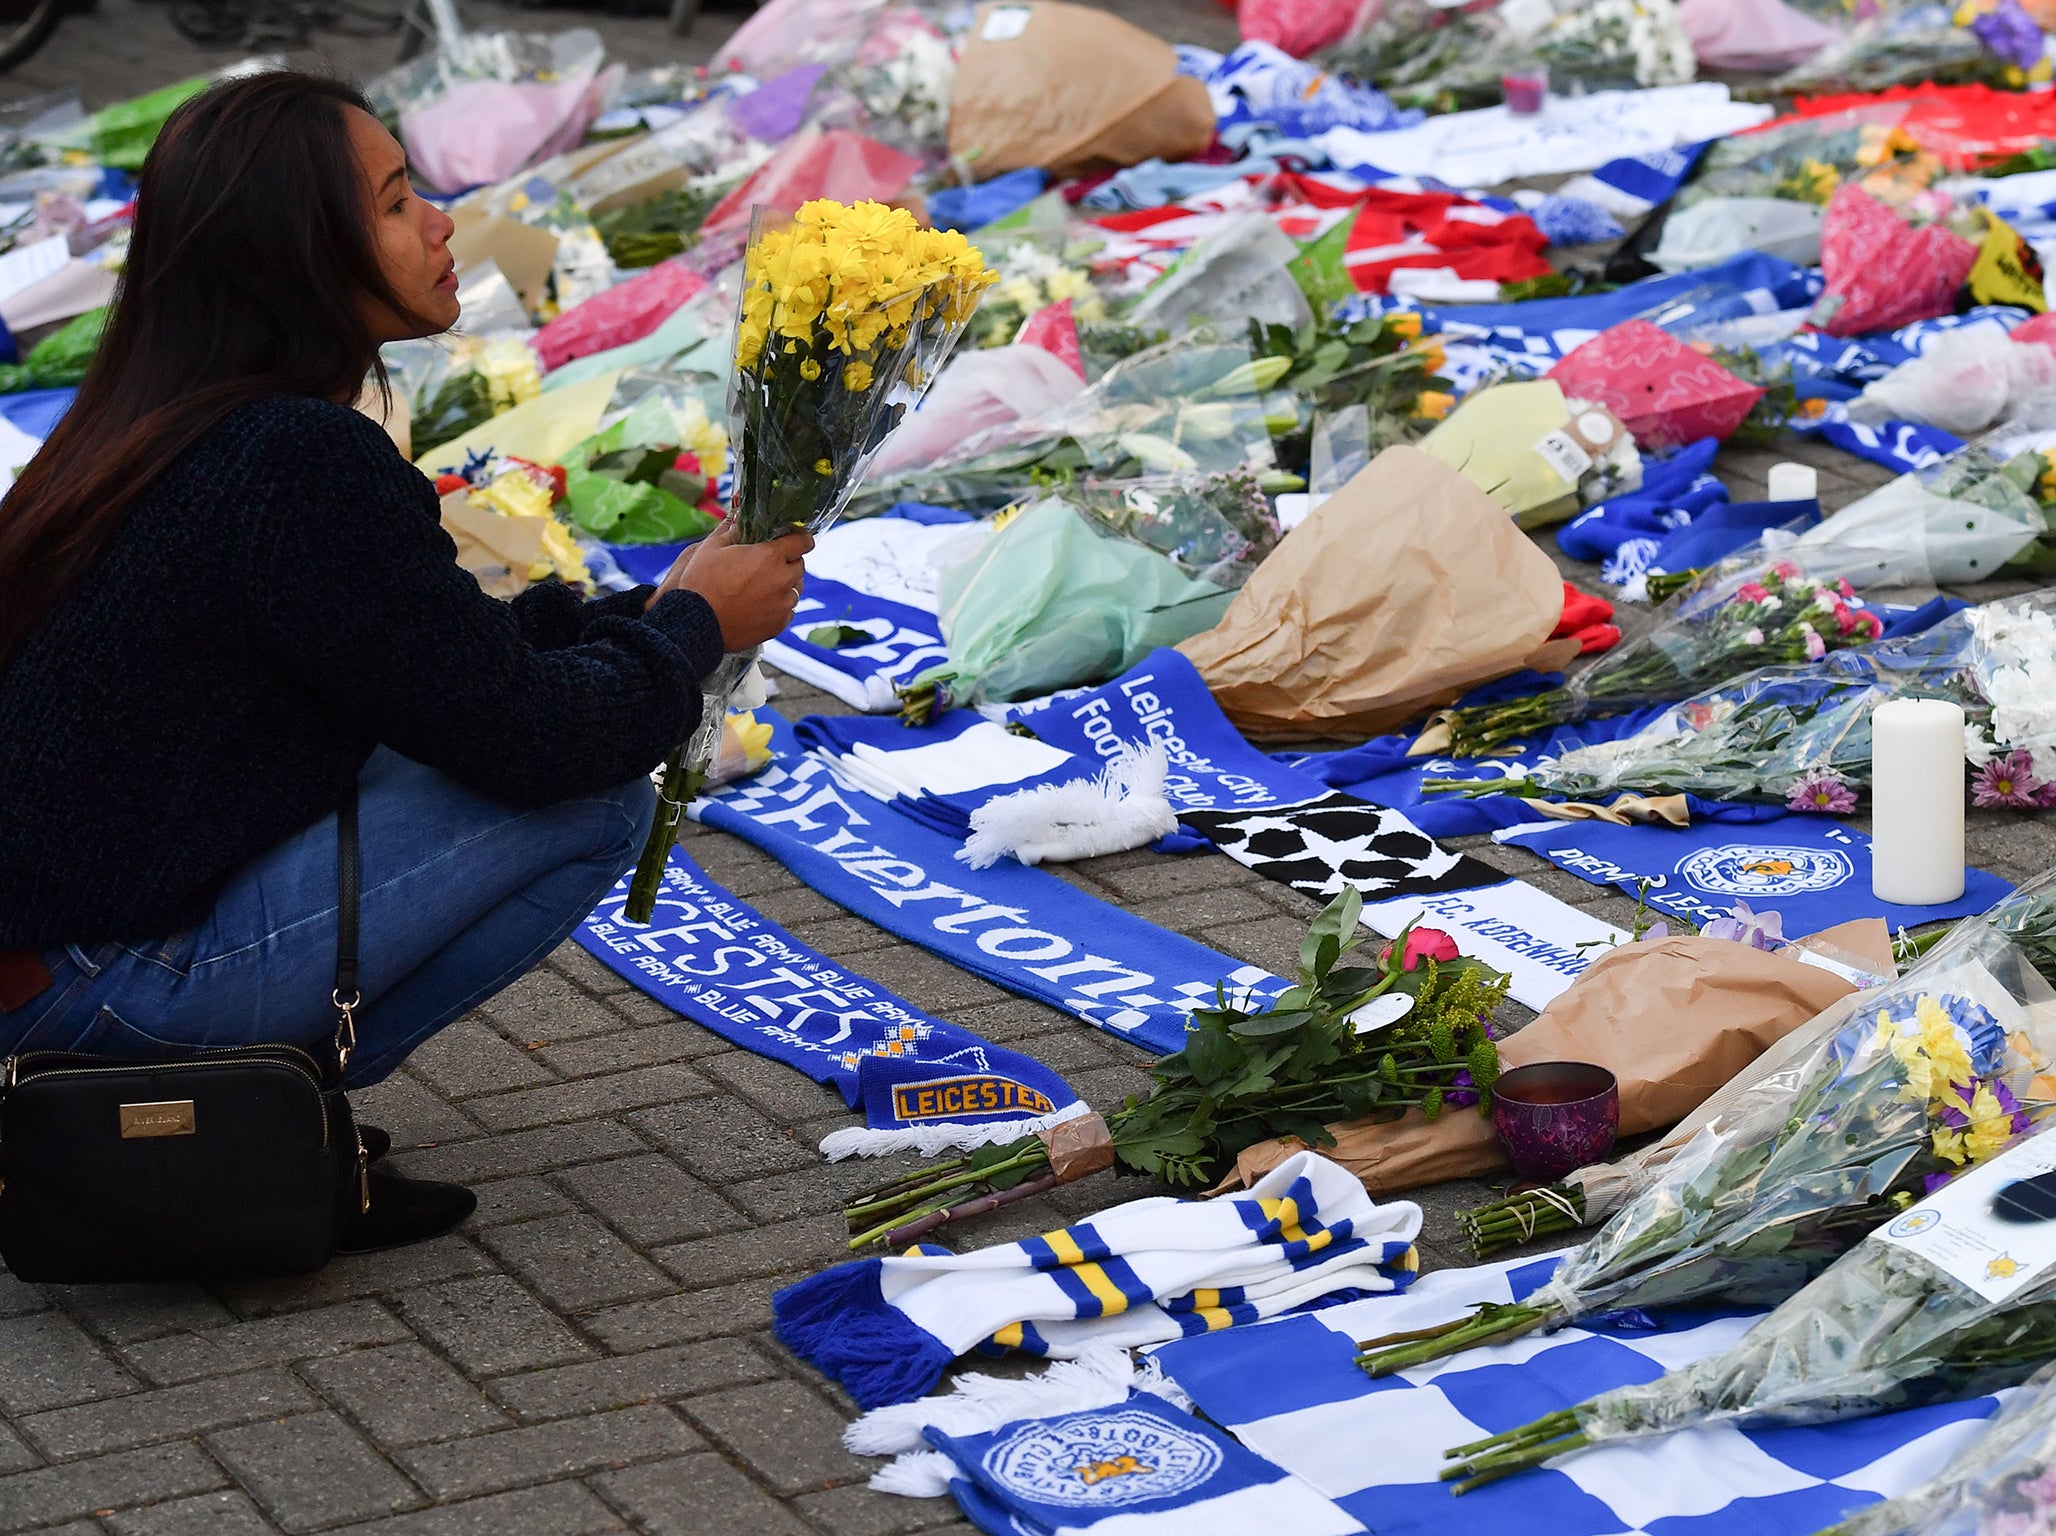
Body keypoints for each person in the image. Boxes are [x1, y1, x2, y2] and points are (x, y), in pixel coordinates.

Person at [0, 71, 812, 1253]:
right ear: (298, 252)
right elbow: (537, 740)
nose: (441, 217)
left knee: (465, 738)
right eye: (393, 201)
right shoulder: (291, 456)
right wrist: (696, 635)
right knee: (592, 800)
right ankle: (242, 1111)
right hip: (89, 995)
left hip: (46, 957)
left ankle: (264, 1111)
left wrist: (661, 604)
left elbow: (430, 659)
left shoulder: (160, 415)